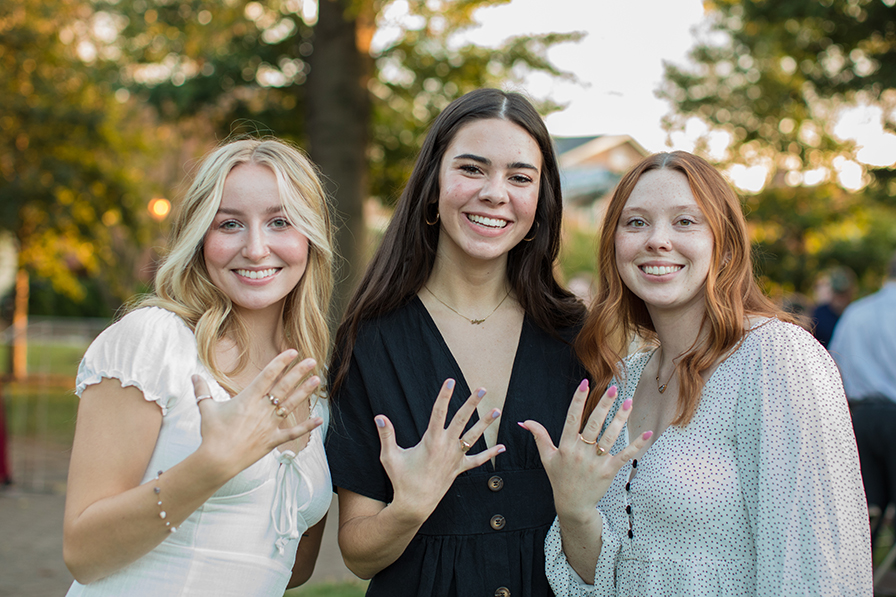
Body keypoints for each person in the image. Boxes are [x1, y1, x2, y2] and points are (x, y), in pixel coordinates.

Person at [521, 151, 872, 595]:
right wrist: (573, 511)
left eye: (685, 221)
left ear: (723, 246)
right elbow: (603, 582)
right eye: (636, 223)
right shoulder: (622, 381)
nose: (657, 240)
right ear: (614, 245)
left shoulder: (776, 358)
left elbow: (819, 568)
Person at [325, 88, 588, 596]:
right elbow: (358, 553)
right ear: (432, 184)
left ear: (541, 199)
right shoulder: (371, 341)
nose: (495, 193)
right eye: (472, 169)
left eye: (519, 177)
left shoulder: (577, 337)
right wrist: (410, 506)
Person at [62, 137, 335, 596]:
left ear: (310, 237)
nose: (255, 248)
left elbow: (285, 565)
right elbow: (83, 554)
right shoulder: (153, 341)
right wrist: (210, 467)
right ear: (199, 237)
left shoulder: (312, 382)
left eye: (280, 222)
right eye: (229, 223)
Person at [829, 252, 896, 520]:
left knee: (868, 514)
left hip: (861, 420)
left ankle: (868, 563)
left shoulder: (856, 313)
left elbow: (834, 368)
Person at [811, 265, 856, 348]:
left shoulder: (856, 314)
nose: (840, 298)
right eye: (837, 292)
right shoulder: (818, 315)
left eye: (843, 293)